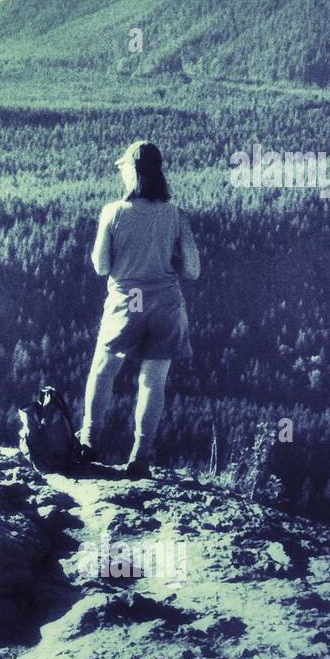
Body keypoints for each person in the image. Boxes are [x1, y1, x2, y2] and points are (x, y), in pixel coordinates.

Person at [79, 140, 200, 479]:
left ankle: (89, 442)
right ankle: (140, 458)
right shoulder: (176, 214)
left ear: (132, 173)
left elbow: (101, 266)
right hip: (166, 303)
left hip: (127, 300)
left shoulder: (113, 212)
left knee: (103, 370)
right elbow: (193, 270)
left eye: (124, 169)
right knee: (152, 381)